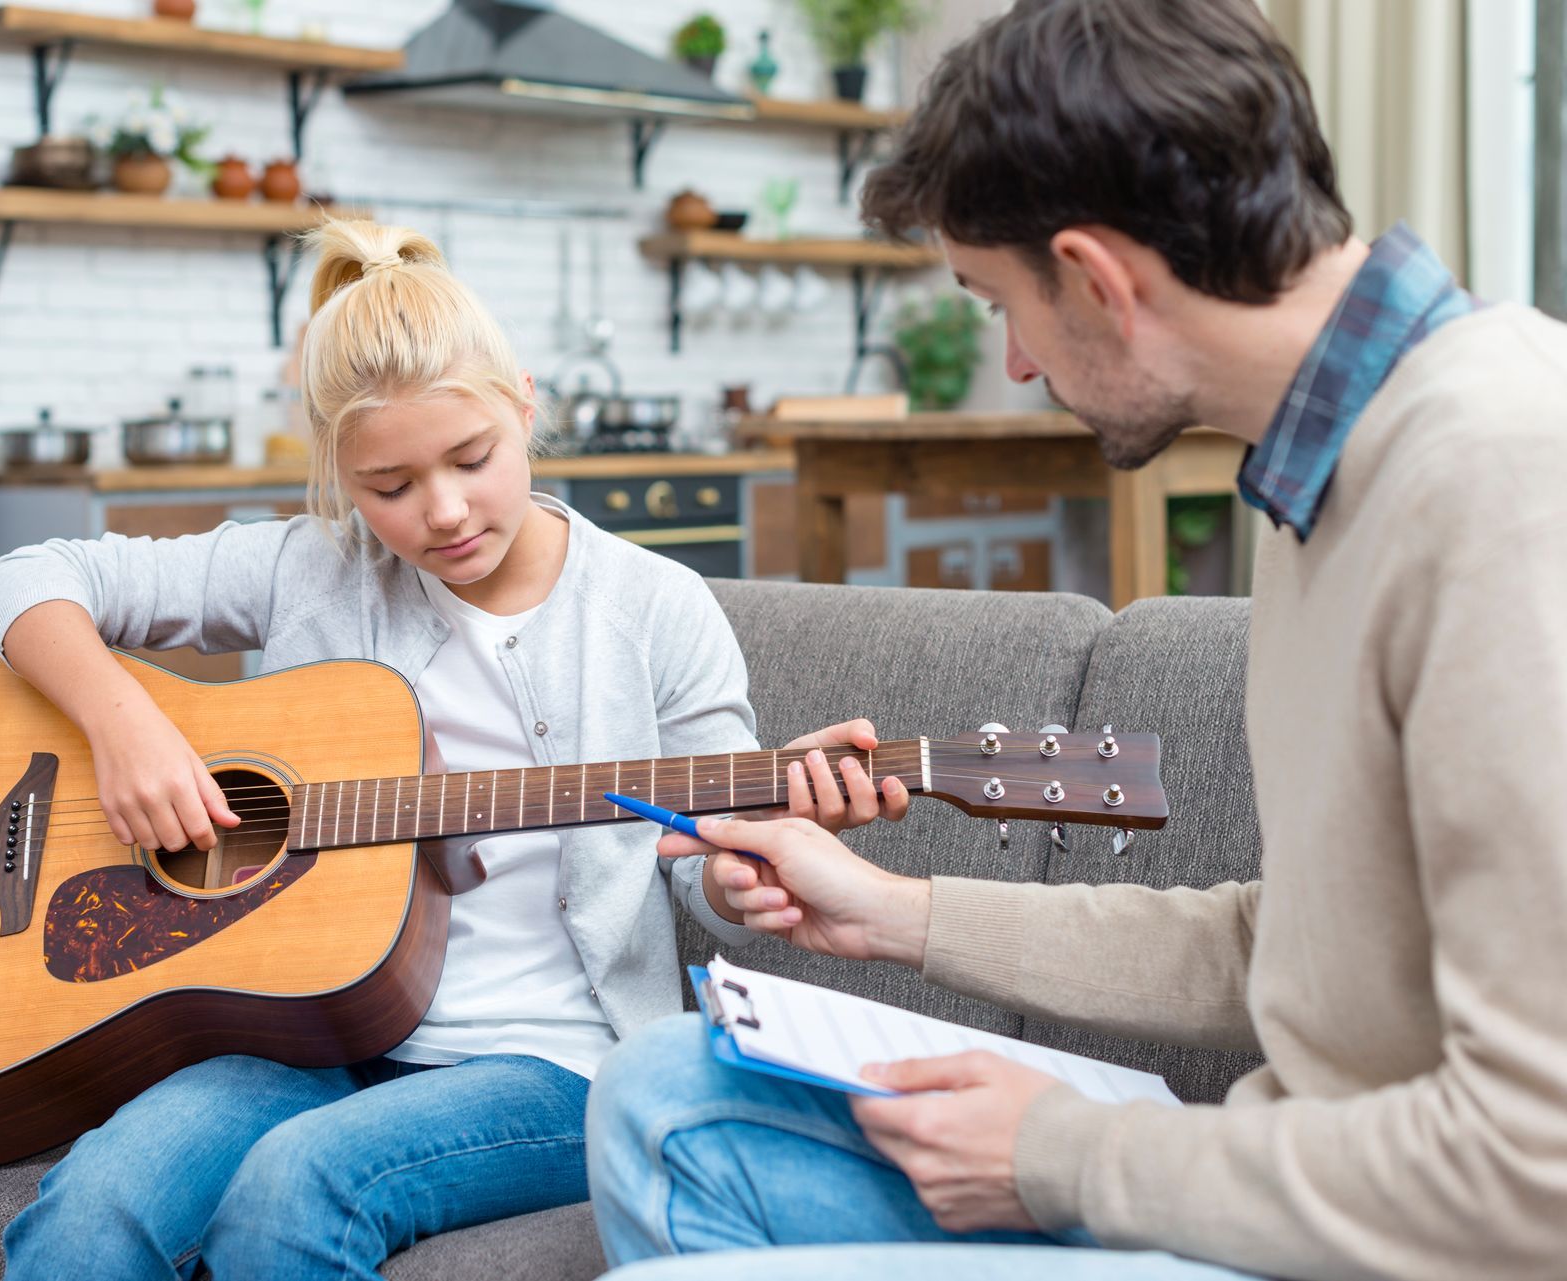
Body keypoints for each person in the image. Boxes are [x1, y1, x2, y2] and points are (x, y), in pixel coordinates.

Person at [585, 1, 1567, 1278]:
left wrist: (1063, 1155)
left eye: (1004, 304)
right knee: (669, 1085)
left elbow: (1535, 1168)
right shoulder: (1321, 480)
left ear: (1098, 281)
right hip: (1306, 1178)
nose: (1019, 361)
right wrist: (892, 912)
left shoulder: (1501, 482)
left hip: (1411, 1238)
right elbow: (1302, 953)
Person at [0, 220, 905, 1281]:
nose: (444, 513)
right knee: (92, 1213)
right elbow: (26, 577)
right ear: (338, 473)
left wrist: (744, 880)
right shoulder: (307, 568)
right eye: (390, 485)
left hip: (555, 1061)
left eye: (473, 459)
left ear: (525, 404)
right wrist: (125, 727)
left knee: (294, 1192)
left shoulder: (654, 607)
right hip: (311, 1037)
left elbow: (704, 880)